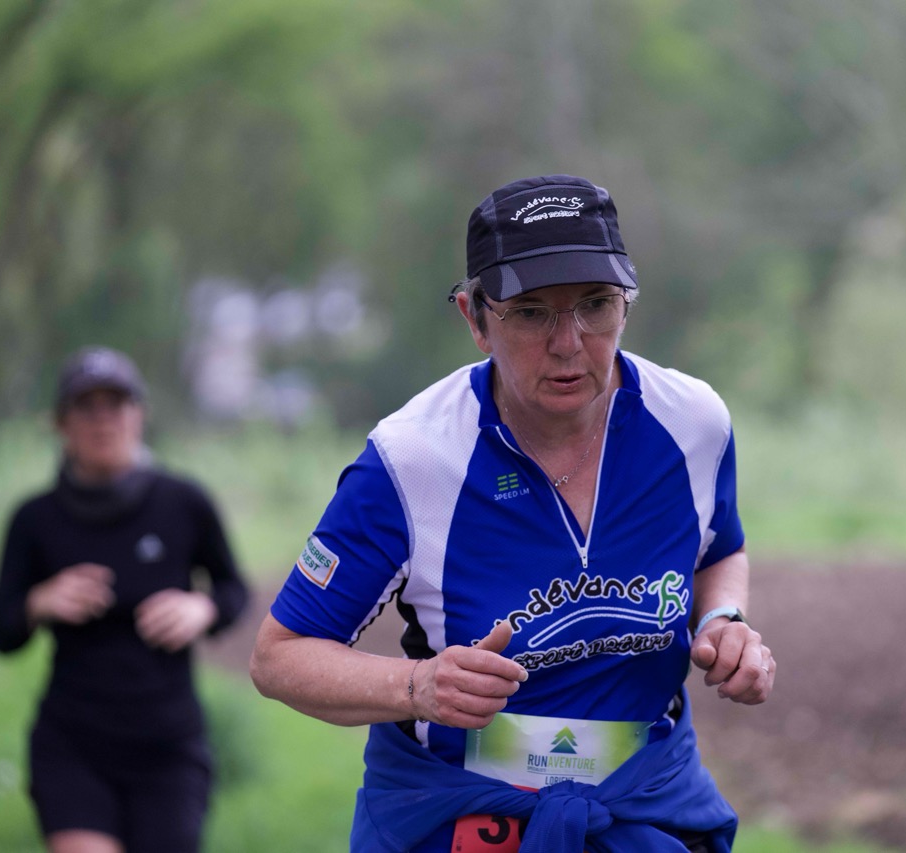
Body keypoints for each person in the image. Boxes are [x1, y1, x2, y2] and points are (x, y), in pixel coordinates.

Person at [250, 174, 776, 852]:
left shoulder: (693, 422)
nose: (569, 342)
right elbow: (279, 656)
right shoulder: (411, 459)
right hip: (459, 812)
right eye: (531, 313)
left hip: (642, 805)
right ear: (474, 318)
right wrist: (418, 685)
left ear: (627, 304)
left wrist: (724, 620)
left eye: (596, 305)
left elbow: (720, 549)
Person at [0, 346, 250, 853]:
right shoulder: (34, 520)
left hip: (169, 745)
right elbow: (1, 632)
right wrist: (39, 601)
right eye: (86, 407)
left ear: (140, 414)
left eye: (116, 404)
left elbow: (234, 589)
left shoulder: (184, 502)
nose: (103, 420)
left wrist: (203, 608)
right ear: (61, 423)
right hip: (73, 743)